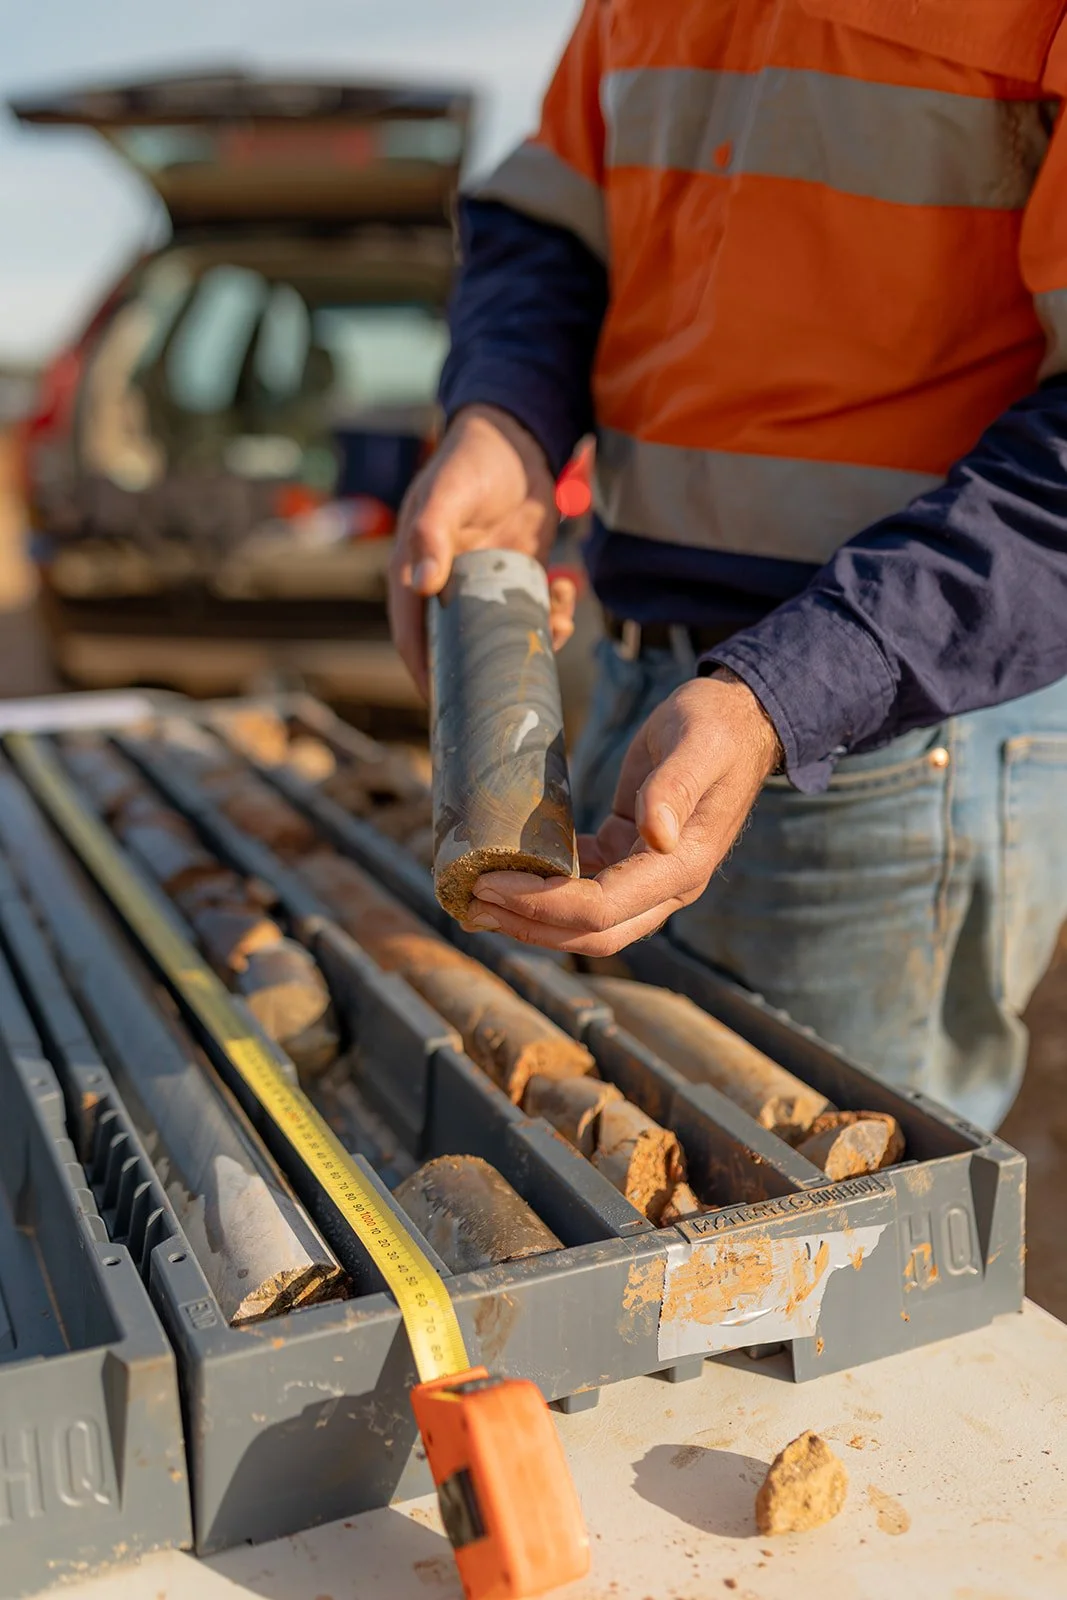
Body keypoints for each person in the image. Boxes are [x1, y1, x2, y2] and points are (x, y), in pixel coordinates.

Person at [389, 1, 1067, 1131]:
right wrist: (504, 419)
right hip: (640, 678)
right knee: (637, 1199)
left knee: (818, 1254)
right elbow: (551, 219)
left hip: (879, 750)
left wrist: (786, 690)